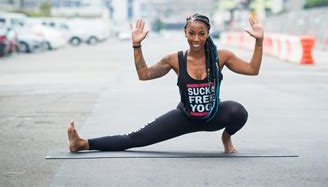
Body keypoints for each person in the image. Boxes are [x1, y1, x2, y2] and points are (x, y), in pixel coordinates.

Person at [67, 13, 264, 153]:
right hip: (185, 117)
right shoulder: (174, 59)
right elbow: (144, 74)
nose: (196, 38)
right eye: (192, 33)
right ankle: (82, 144)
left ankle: (226, 137)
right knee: (134, 139)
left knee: (238, 111)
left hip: (213, 116)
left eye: (201, 34)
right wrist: (137, 45)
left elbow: (252, 70)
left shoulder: (221, 57)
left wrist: (259, 42)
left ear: (207, 34)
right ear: (185, 33)